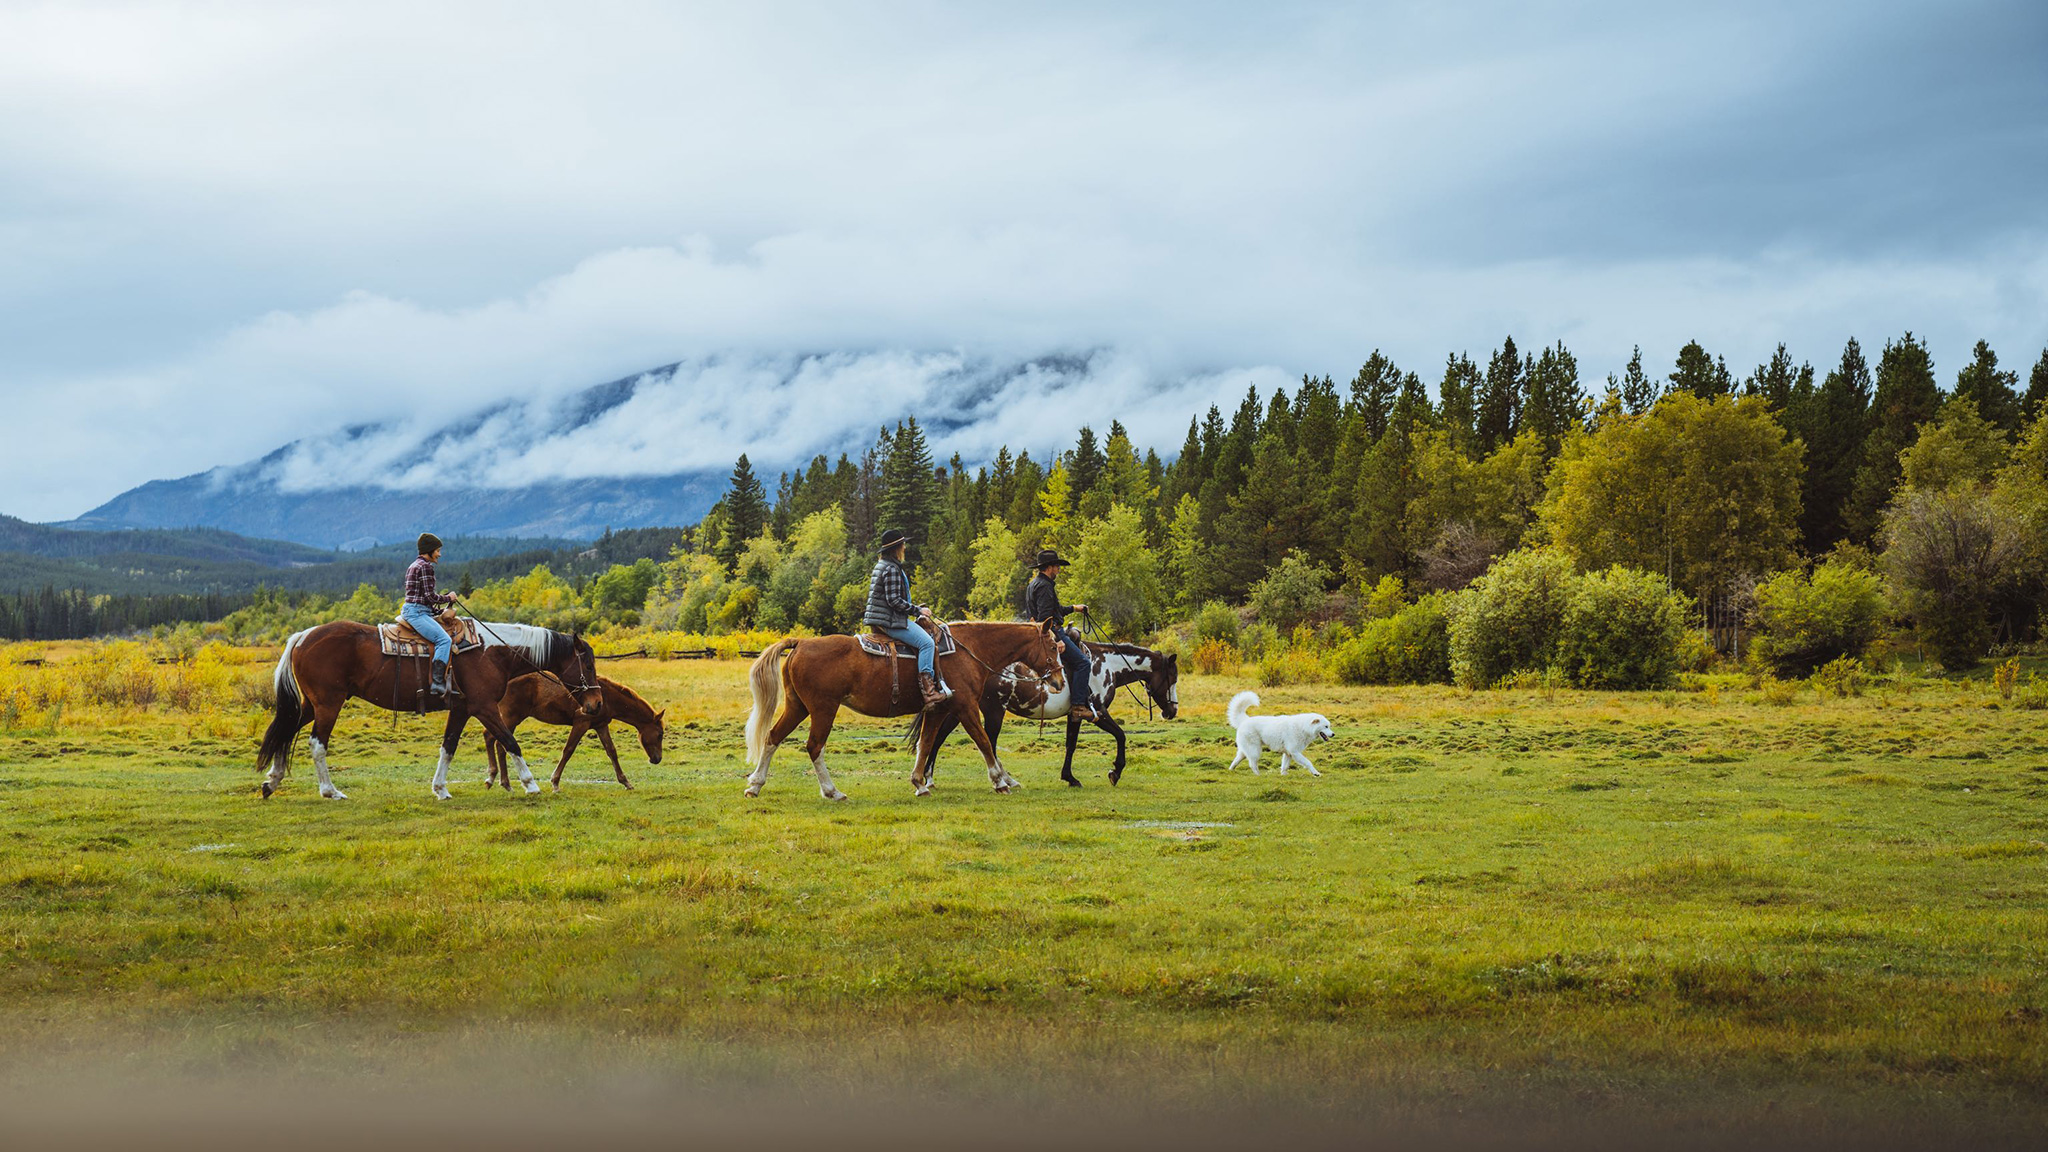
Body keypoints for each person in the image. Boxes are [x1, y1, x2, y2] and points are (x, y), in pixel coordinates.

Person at [863, 528, 952, 709]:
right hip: (890, 620)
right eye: (902, 544)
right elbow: (894, 600)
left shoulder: (883, 565)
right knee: (927, 643)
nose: (905, 547)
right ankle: (929, 691)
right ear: (896, 548)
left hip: (880, 618)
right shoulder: (892, 568)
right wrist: (918, 610)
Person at [1023, 548, 1097, 721]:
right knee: (1083, 663)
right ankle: (1078, 706)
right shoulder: (1045, 587)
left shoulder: (1034, 584)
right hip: (1051, 632)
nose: (1059, 569)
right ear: (1049, 567)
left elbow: (1054, 611)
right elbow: (1045, 618)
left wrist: (1074, 608)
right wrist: (1056, 639)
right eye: (1057, 566)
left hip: (1042, 631)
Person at [402, 532, 461, 697]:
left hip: (416, 609)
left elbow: (421, 597)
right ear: (429, 550)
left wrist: (437, 611)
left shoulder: (414, 565)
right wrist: (449, 597)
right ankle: (437, 683)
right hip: (417, 613)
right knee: (444, 640)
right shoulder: (426, 567)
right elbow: (430, 597)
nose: (439, 554)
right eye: (437, 550)